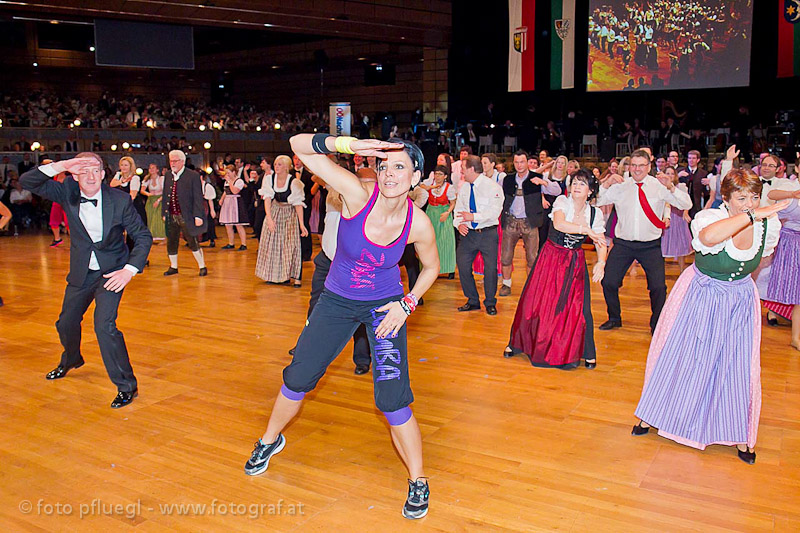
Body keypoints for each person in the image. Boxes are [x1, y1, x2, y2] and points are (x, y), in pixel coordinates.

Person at [245, 134, 439, 521]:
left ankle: (418, 479)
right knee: (298, 376)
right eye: (385, 166)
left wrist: (407, 303)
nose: (389, 174)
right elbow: (298, 147)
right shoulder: (357, 194)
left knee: (393, 398)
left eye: (400, 167)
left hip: (385, 308)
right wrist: (348, 146)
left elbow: (431, 267)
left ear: (417, 175)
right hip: (336, 302)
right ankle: (269, 439)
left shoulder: (417, 223)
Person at [632, 164, 788, 465]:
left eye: (754, 197)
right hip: (702, 293)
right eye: (742, 198)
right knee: (684, 355)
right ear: (726, 199)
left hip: (739, 298)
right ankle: (652, 415)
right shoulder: (710, 216)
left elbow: (758, 261)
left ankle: (736, 432)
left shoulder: (770, 225)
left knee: (737, 363)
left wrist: (740, 290)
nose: (750, 204)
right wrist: (753, 215)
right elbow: (709, 238)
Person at [20, 153, 152, 408]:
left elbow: (143, 237)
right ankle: (71, 358)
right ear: (75, 175)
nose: (90, 176)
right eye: (83, 171)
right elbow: (29, 181)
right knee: (65, 323)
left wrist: (130, 270)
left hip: (112, 272)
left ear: (103, 174)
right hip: (82, 272)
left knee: (104, 326)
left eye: (95, 171)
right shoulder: (68, 191)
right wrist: (63, 166)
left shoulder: (120, 199)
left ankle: (126, 386)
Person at [504, 169, 607, 369]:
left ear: (590, 190)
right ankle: (517, 343)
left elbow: (601, 241)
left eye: (582, 184)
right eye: (575, 183)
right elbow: (559, 224)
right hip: (551, 257)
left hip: (574, 261)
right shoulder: (562, 202)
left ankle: (586, 351)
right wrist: (585, 230)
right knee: (536, 302)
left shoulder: (595, 213)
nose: (576, 187)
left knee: (580, 308)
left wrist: (601, 262)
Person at [597, 149, 692, 333]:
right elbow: (597, 200)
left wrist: (671, 187)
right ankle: (614, 318)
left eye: (641, 165)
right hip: (623, 244)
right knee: (608, 281)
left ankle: (656, 323)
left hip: (650, 246)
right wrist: (606, 183)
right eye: (634, 165)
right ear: (629, 166)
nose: (637, 169)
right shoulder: (620, 186)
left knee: (658, 287)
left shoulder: (659, 185)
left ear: (649, 166)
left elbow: (686, 205)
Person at [454, 155, 504, 315]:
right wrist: (459, 223)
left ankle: (490, 302)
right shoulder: (464, 188)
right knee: (462, 265)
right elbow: (458, 209)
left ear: (471, 169)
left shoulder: (492, 187)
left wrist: (473, 217)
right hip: (468, 235)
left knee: (490, 269)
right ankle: (472, 300)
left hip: (487, 234)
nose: (461, 171)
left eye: (463, 168)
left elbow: (494, 212)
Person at [255, 155, 308, 286]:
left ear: (286, 167)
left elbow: (298, 204)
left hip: (289, 214)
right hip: (275, 211)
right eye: (275, 164)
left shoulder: (294, 182)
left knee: (290, 245)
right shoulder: (269, 179)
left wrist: (302, 224)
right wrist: (269, 218)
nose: (276, 167)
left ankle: (294, 276)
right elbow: (267, 199)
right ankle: (275, 276)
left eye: (279, 164)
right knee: (272, 243)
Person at [763, 187, 800, 350]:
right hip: (790, 244)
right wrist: (792, 194)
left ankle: (795, 337)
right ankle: (795, 337)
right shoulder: (790, 187)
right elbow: (772, 194)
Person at [161, 150, 208, 276]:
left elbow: (198, 197)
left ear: (182, 161)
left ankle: (202, 266)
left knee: (192, 240)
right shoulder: (168, 175)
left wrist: (198, 216)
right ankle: (173, 266)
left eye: (175, 161)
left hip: (186, 215)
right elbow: (166, 195)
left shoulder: (192, 176)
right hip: (171, 214)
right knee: (172, 240)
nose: (172, 163)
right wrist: (164, 213)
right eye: (171, 161)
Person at [425, 165, 457, 278]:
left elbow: (453, 202)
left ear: (445, 176)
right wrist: (430, 187)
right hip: (431, 212)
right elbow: (421, 186)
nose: (437, 176)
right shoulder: (430, 183)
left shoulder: (449, 188)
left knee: (445, 241)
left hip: (443, 212)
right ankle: (431, 268)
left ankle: (449, 268)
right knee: (430, 241)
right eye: (436, 173)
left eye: (440, 174)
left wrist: (448, 212)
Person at [659, 166, 693, 272]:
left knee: (680, 245)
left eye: (672, 173)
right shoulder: (659, 187)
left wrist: (685, 213)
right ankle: (660, 271)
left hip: (678, 216)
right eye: (667, 173)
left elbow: (686, 202)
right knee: (663, 245)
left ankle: (682, 270)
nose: (669, 176)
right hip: (665, 217)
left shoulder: (681, 186)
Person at [219, 165, 249, 250]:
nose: (227, 174)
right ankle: (231, 243)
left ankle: (243, 244)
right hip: (227, 202)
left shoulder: (239, 181)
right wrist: (221, 199)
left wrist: (230, 181)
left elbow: (234, 191)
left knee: (238, 224)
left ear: (234, 172)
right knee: (228, 225)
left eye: (228, 172)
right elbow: (226, 191)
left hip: (235, 202)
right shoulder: (227, 181)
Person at [142, 163, 166, 241]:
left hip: (160, 199)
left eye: (153, 168)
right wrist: (148, 194)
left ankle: (161, 236)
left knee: (158, 217)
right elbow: (142, 190)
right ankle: (151, 235)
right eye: (150, 168)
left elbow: (165, 192)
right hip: (151, 199)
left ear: (157, 170)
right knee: (150, 217)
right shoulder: (147, 179)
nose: (151, 169)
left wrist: (158, 200)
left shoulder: (161, 179)